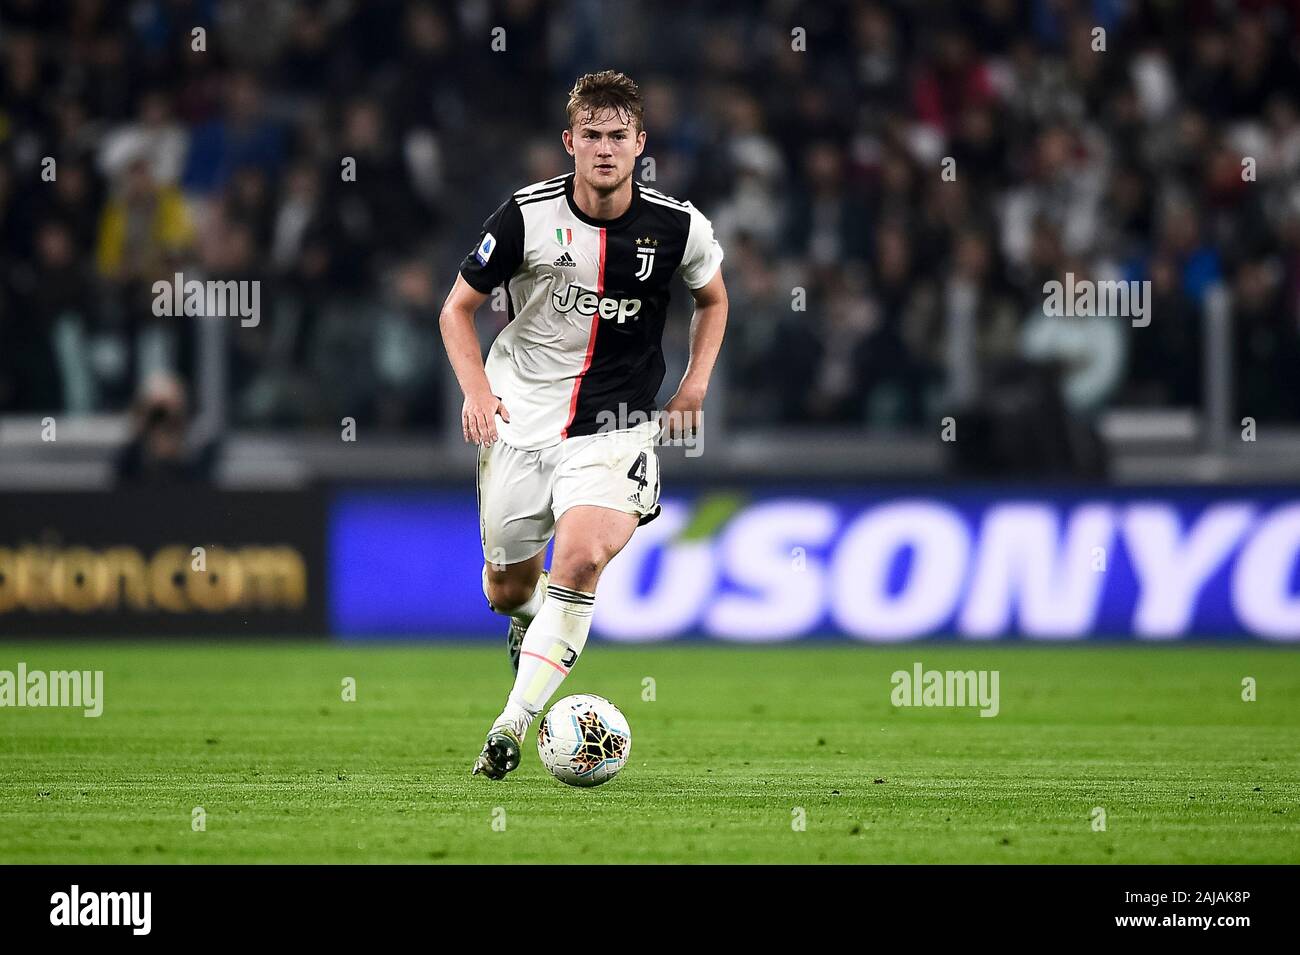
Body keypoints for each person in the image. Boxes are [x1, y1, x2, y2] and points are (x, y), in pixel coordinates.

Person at [438, 70, 728, 779]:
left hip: (617, 426)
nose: (604, 149)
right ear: (569, 142)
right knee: (507, 587)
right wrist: (476, 392)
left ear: (640, 144)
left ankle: (511, 724)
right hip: (520, 420)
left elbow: (714, 300)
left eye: (618, 137)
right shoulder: (522, 218)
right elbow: (455, 310)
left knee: (582, 559)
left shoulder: (679, 226)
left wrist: (694, 384)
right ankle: (525, 617)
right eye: (591, 136)